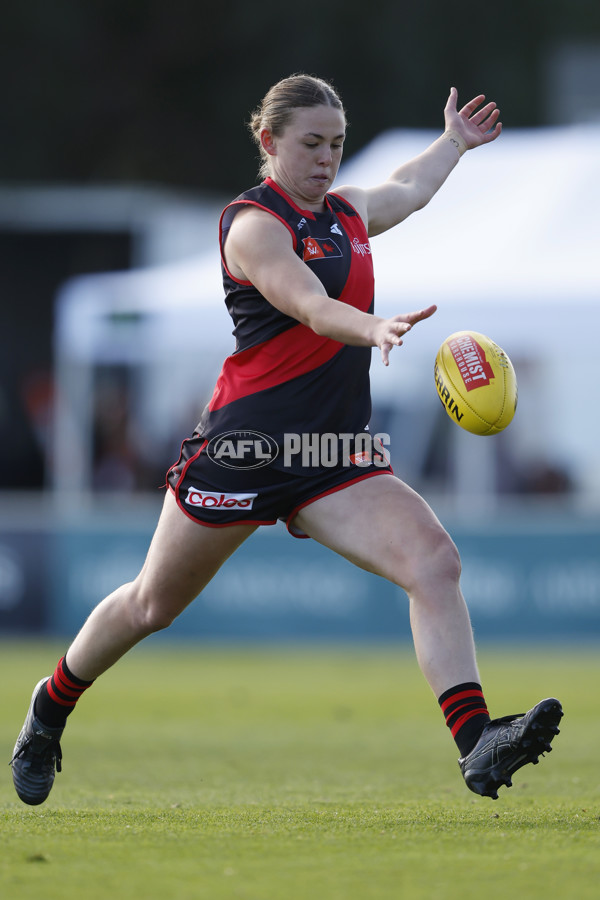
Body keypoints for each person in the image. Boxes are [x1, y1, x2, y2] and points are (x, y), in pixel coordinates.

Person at [11, 74, 562, 806]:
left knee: (434, 561)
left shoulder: (349, 212)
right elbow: (305, 302)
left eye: (336, 144)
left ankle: (477, 741)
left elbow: (408, 186)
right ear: (268, 142)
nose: (327, 159)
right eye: (310, 144)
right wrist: (372, 327)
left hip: (329, 456)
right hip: (244, 451)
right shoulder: (252, 225)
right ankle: (48, 709)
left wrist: (453, 144)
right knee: (151, 606)